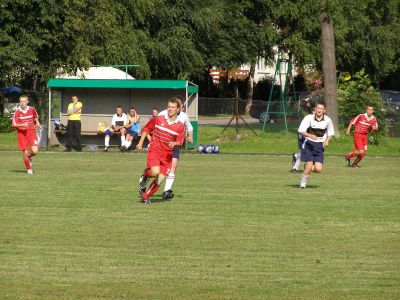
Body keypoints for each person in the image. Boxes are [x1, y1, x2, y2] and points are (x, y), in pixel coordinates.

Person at [136, 97, 185, 204]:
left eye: (173, 107)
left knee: (161, 178)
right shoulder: (159, 119)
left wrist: (175, 143)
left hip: (167, 156)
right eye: (169, 107)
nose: (170, 109)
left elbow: (180, 141)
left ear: (178, 109)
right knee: (155, 172)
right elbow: (146, 129)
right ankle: (145, 175)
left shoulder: (180, 126)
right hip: (155, 149)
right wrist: (140, 142)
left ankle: (145, 196)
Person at [157, 97, 193, 200]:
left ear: (179, 107)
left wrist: (190, 136)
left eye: (178, 105)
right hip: (161, 146)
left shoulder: (184, 116)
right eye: (171, 106)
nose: (173, 108)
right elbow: (156, 126)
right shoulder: (163, 114)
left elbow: (189, 127)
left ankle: (166, 190)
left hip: (175, 146)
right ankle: (146, 179)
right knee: (157, 170)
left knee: (172, 168)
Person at [298, 101, 334, 188]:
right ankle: (303, 183)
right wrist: (310, 135)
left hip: (319, 146)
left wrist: (327, 140)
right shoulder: (308, 118)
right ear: (315, 109)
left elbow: (331, 133)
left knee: (318, 169)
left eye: (321, 108)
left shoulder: (328, 120)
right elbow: (301, 131)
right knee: (309, 164)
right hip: (308, 143)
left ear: (324, 110)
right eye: (318, 108)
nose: (319, 110)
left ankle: (307, 167)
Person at [12, 95, 41, 174]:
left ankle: (29, 156)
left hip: (31, 132)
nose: (22, 103)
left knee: (35, 151)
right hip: (22, 134)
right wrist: (22, 125)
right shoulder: (17, 112)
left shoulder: (32, 109)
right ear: (19, 102)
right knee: (25, 152)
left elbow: (35, 116)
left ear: (27, 102)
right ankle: (29, 169)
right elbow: (14, 124)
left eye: (24, 101)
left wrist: (37, 122)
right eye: (21, 101)